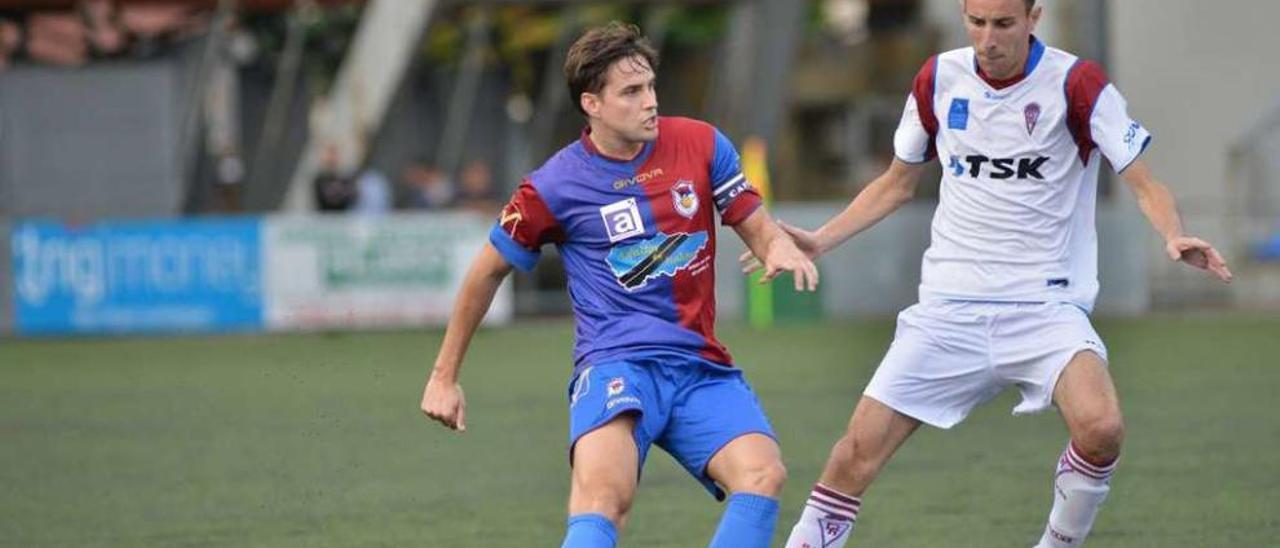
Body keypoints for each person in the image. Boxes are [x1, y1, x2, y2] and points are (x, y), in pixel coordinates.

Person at [751, 1, 1233, 547]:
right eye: (976, 22)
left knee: (1101, 429)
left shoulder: (1078, 83)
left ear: (1033, 18)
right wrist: (821, 240)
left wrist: (1172, 233)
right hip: (949, 308)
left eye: (1003, 24)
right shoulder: (938, 78)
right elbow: (896, 183)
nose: (988, 39)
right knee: (854, 456)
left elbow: (1144, 182)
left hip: (1046, 306)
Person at [420, 22, 818, 548]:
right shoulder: (553, 185)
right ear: (592, 104)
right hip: (617, 365)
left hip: (700, 367)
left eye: (651, 87)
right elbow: (486, 271)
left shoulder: (701, 144)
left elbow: (754, 222)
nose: (650, 102)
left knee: (764, 475)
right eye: (631, 92)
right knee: (603, 501)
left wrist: (777, 246)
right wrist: (444, 377)